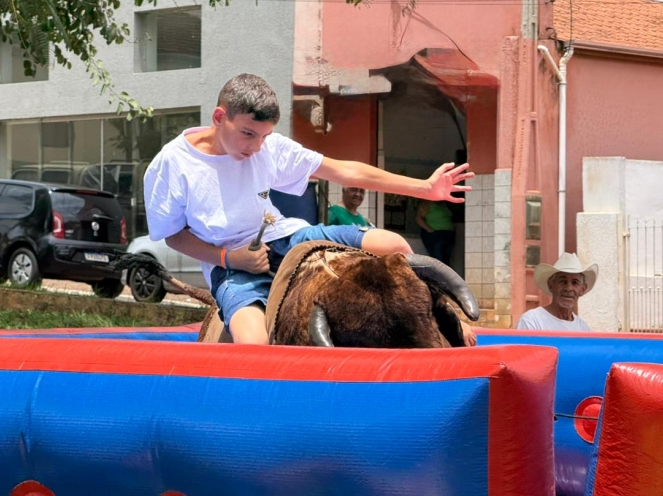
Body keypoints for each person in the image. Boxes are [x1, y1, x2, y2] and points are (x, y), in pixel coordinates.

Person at [144, 73, 476, 346]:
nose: (256, 147)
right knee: (253, 345)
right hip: (232, 265)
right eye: (248, 134)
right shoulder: (171, 165)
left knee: (394, 245)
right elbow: (173, 236)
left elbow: (345, 171)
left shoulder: (266, 148)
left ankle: (443, 320)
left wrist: (424, 188)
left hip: (288, 237)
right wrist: (231, 259)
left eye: (264, 136)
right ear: (220, 117)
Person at [515, 253, 597, 331]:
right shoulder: (531, 321)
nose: (568, 288)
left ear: (582, 289)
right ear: (551, 285)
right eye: (563, 281)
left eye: (575, 282)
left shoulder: (583, 329)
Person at [415, 200, 455, 267]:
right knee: (438, 260)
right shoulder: (428, 203)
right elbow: (418, 218)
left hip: (448, 234)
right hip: (436, 234)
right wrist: (430, 230)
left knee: (446, 260)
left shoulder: (444, 204)